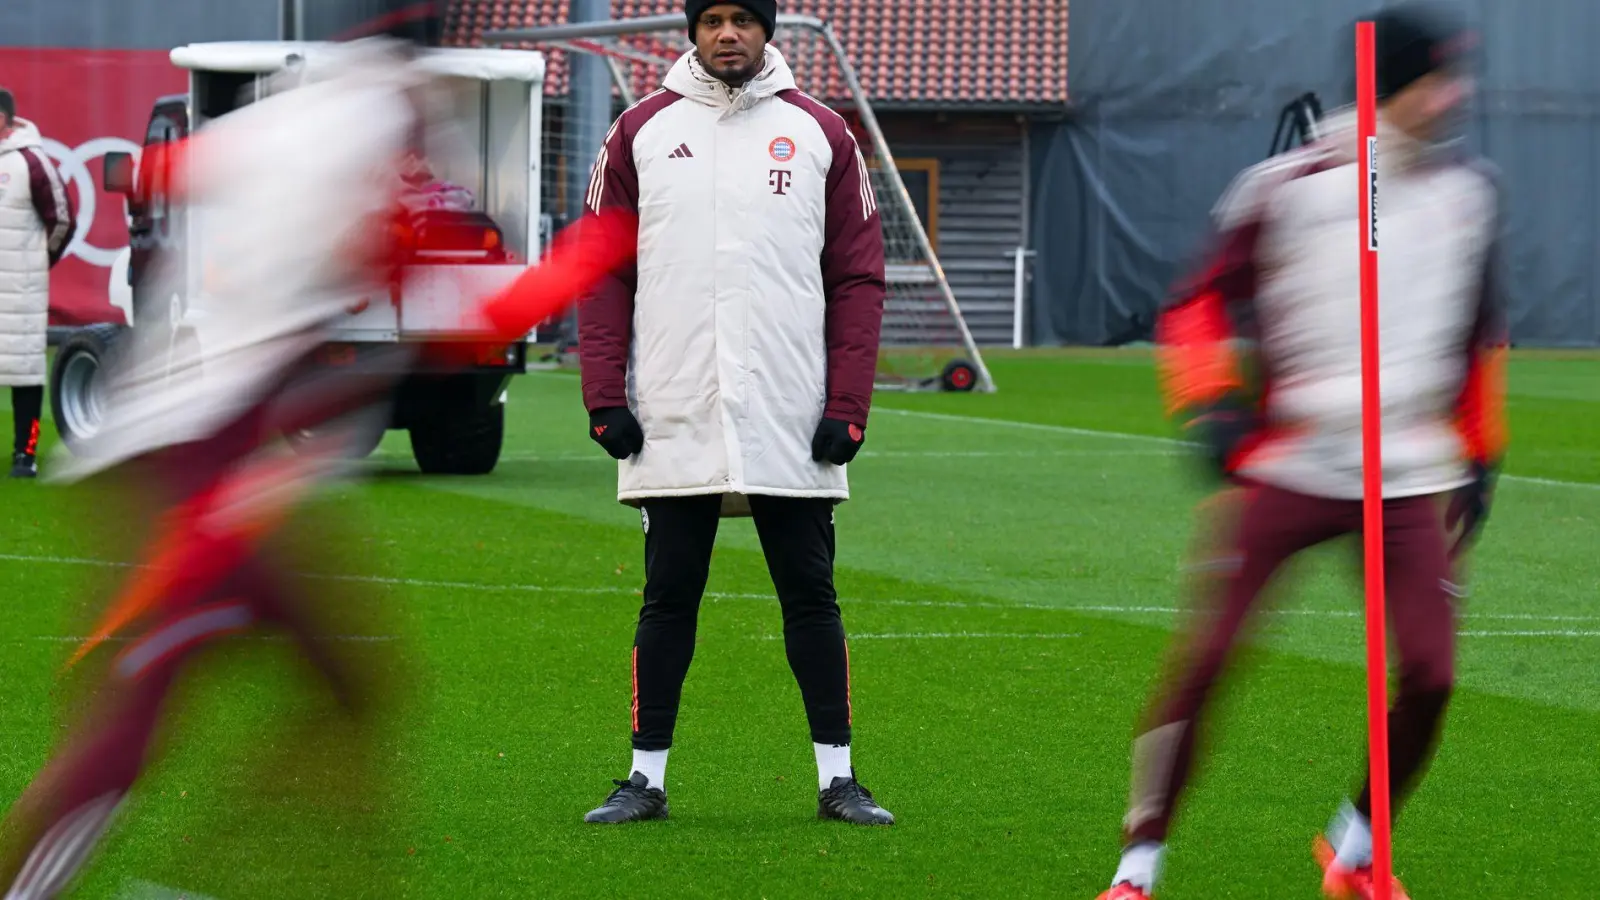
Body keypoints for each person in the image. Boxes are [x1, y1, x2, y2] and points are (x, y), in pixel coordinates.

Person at [1094, 5, 1504, 899]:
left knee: (1432, 674)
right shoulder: (1288, 186)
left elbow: (1479, 335)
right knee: (1209, 662)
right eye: (1439, 77)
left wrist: (1482, 455)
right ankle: (1137, 868)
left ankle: (1355, 854)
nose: (1457, 95)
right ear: (1395, 86)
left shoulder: (1468, 197)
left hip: (1411, 473)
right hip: (1292, 463)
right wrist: (1211, 410)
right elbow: (1198, 301)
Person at [577, 0, 893, 826]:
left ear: (769, 30)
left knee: (811, 597)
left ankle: (840, 780)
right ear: (692, 29)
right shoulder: (638, 131)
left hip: (793, 412)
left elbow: (858, 279)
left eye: (744, 19)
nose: (728, 34)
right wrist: (605, 394)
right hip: (674, 407)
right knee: (668, 597)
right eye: (713, 18)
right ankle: (645, 780)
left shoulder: (824, 133)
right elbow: (601, 273)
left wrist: (848, 404)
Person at [0, 88, 75, 479]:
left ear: (6, 120)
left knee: (25, 371)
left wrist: (39, 261)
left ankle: (24, 455)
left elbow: (62, 219)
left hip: (20, 290)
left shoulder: (32, 161)